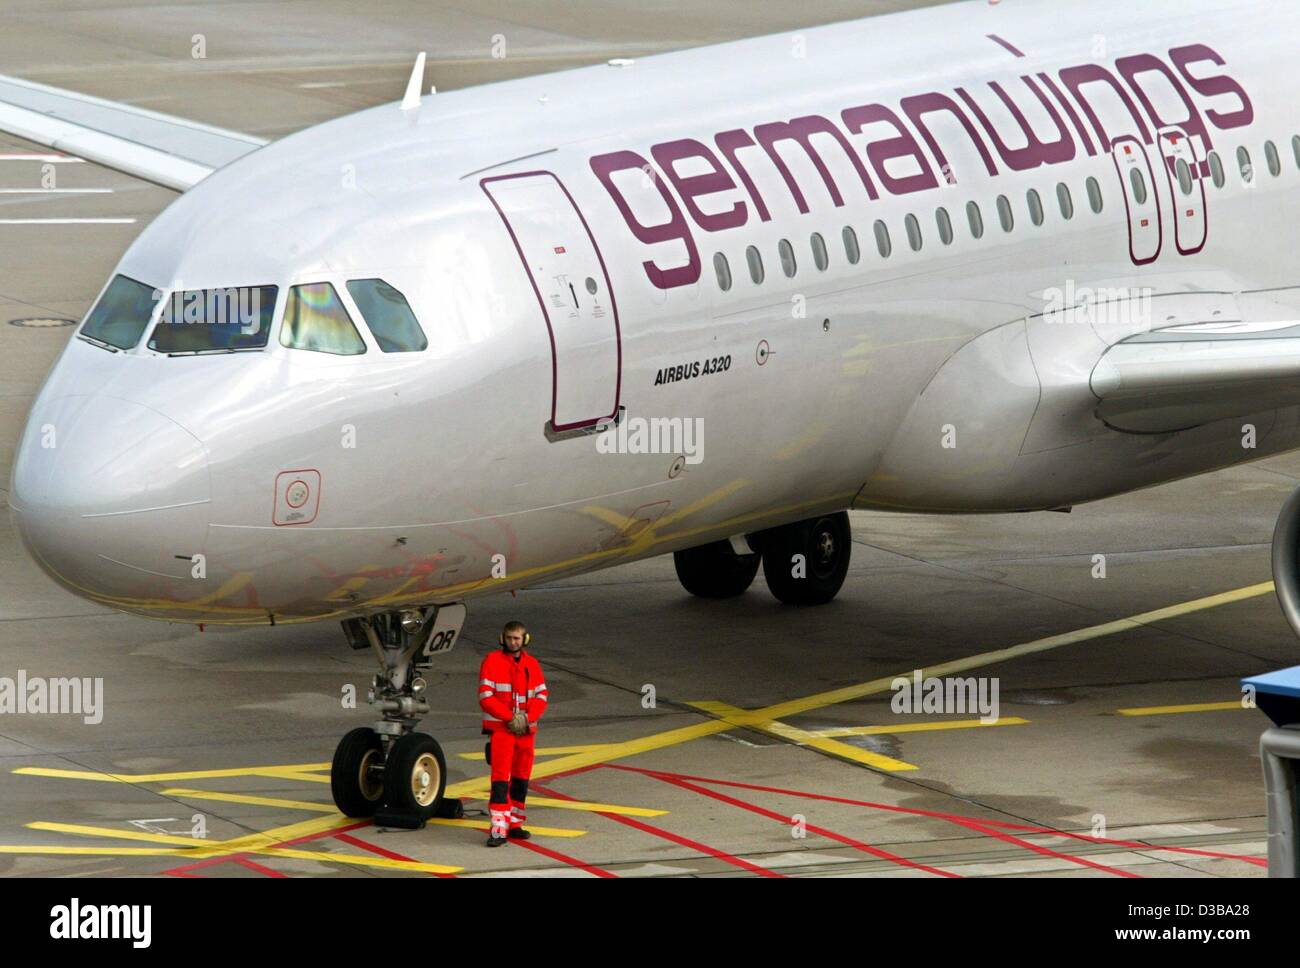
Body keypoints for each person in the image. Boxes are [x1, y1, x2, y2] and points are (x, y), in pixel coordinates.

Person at [478, 620, 548, 846]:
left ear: (524, 640)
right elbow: (485, 697)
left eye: (517, 638)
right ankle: (498, 828)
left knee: (521, 779)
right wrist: (510, 718)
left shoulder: (532, 664)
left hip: (526, 731)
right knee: (500, 779)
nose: (513, 642)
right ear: (502, 639)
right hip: (502, 731)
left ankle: (515, 823)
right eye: (509, 638)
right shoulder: (492, 661)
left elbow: (542, 696)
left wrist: (527, 718)